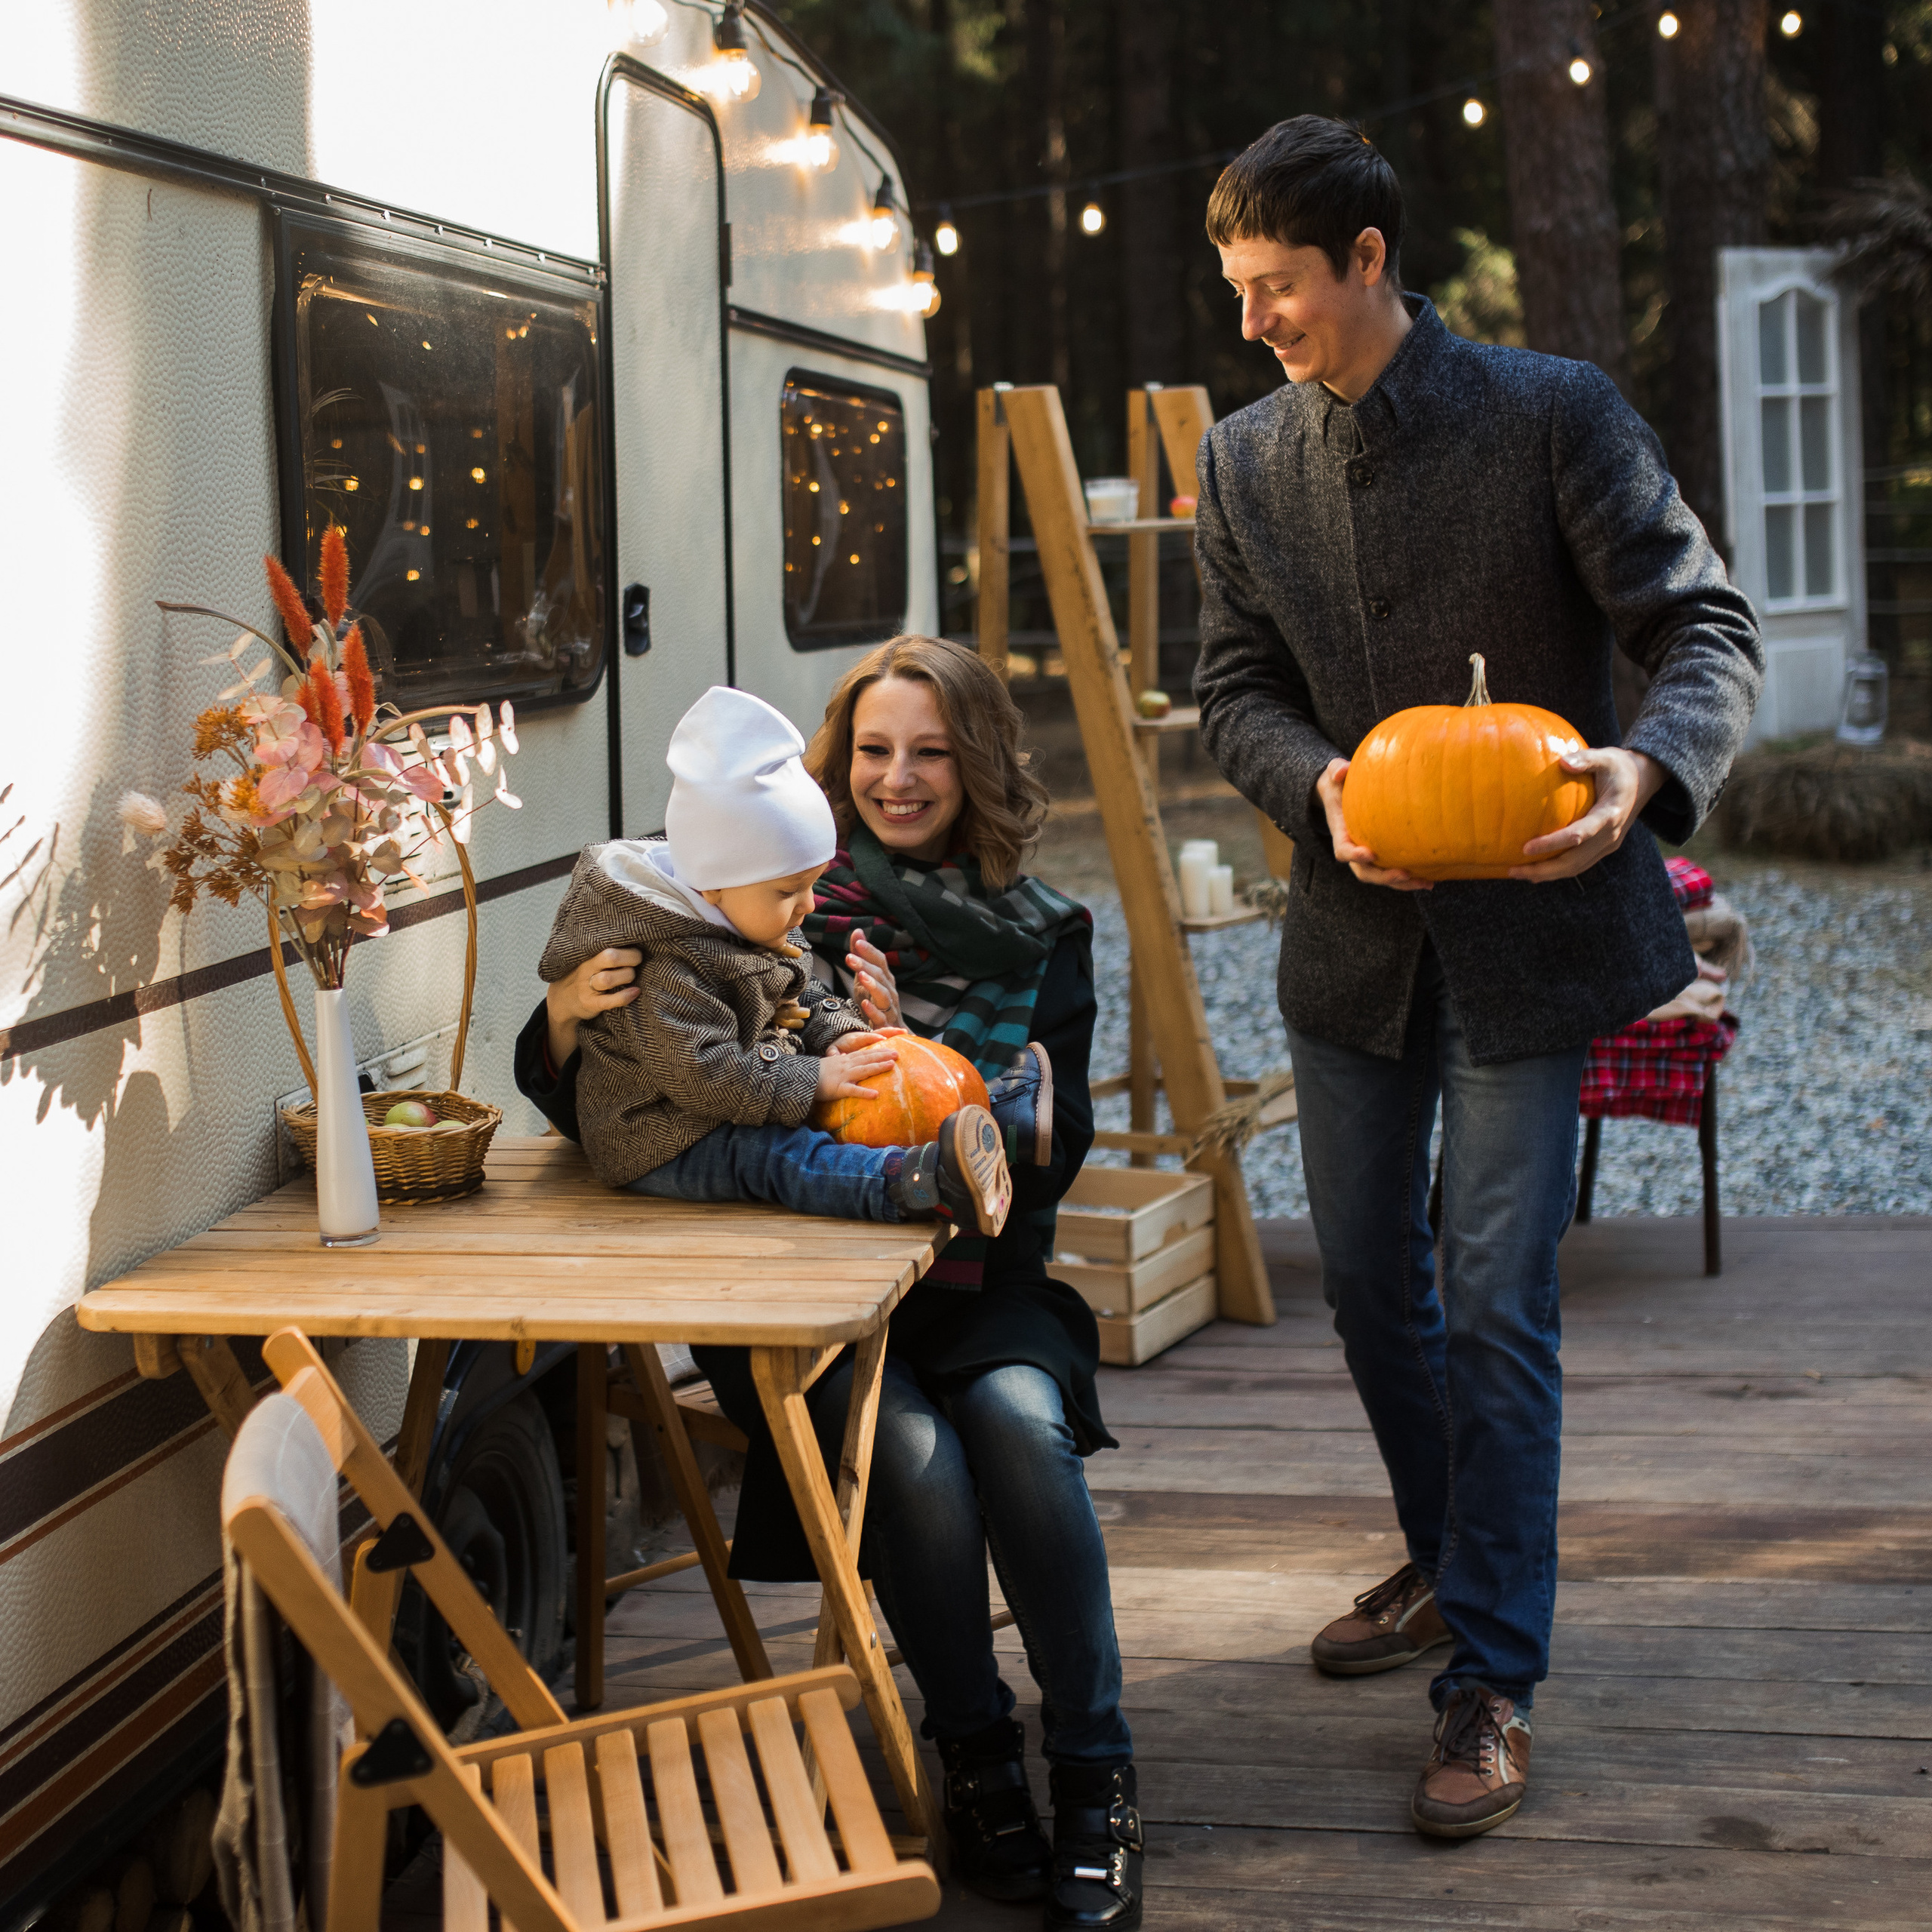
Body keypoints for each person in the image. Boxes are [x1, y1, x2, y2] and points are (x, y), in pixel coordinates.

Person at [1191, 117, 1763, 1839]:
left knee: (1495, 1296)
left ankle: (1488, 1675)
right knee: (1371, 1285)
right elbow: (1231, 690)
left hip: (1532, 931)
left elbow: (1702, 626)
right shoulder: (1238, 462)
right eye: (1234, 291)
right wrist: (1319, 786)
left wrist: (1638, 771)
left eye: (1274, 286)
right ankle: (1447, 1565)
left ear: (1367, 262)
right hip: (1350, 943)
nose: (1253, 322)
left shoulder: (1550, 410)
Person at [516, 638, 1143, 1931]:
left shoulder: (1048, 935)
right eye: (873, 750)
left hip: (977, 1285)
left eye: (930, 753)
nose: (898, 779)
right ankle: (972, 1750)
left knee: (1022, 1433)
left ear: (977, 769)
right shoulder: (757, 886)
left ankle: (1096, 1769)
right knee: (910, 1460)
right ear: (835, 762)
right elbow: (605, 1098)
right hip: (795, 1287)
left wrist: (923, 1048)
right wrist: (568, 1013)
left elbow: (1060, 1144)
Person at [536, 684, 1012, 1235]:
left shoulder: (750, 919)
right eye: (791, 891)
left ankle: (999, 1112)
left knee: (843, 1097)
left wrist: (837, 1032)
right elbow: (705, 1075)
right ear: (713, 884)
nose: (808, 906)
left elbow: (799, 991)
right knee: (779, 1157)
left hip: (727, 1103)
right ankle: (910, 1184)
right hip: (663, 1137)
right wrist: (815, 1077)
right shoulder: (661, 965)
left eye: (812, 885)